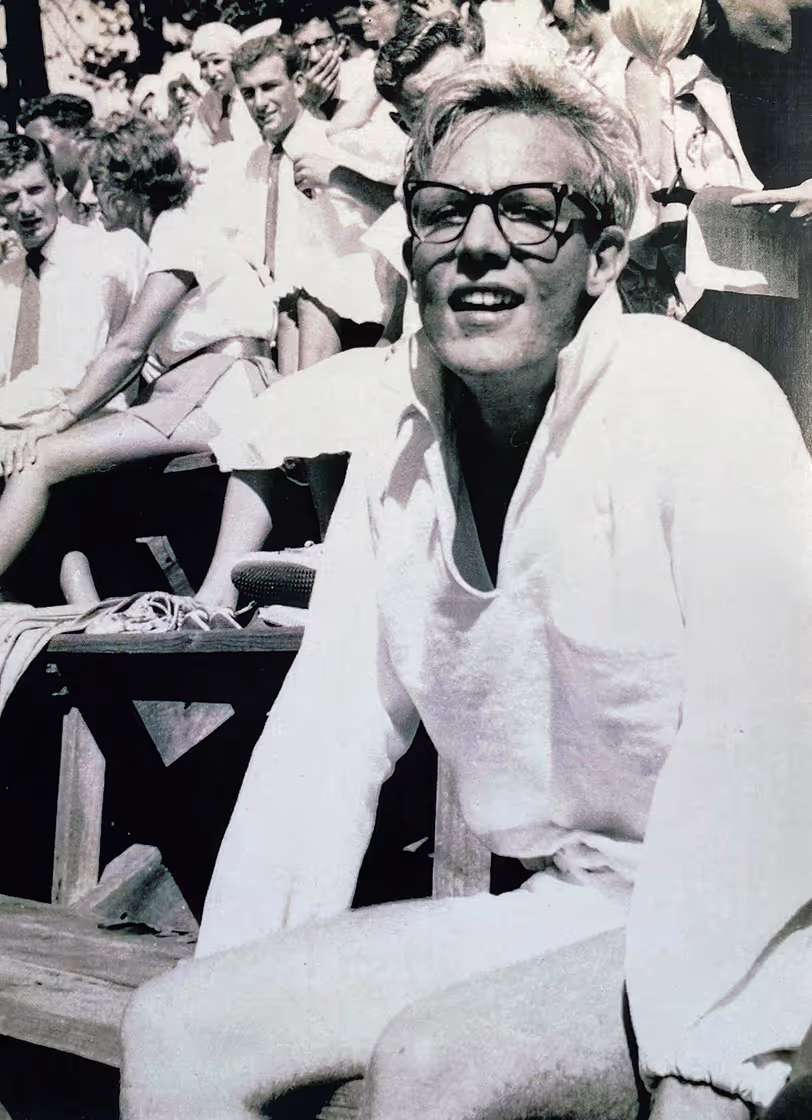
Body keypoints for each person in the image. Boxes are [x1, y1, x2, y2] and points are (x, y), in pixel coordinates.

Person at [120, 62, 812, 1120]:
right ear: (411, 250)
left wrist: (706, 1067)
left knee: (434, 1067)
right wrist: (233, 981)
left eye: (529, 215)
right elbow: (324, 741)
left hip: (771, 918)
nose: (478, 244)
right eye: (443, 211)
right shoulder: (397, 453)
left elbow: (765, 762)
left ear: (603, 256)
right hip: (578, 907)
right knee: (177, 1032)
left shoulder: (707, 408)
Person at [0, 119, 277, 587]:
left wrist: (57, 418)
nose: (87, 199)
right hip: (197, 389)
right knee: (46, 459)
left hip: (222, 386)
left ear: (126, 190)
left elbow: (128, 348)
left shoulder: (178, 233)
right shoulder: (163, 239)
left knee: (41, 457)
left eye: (98, 186)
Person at [0, 135, 148, 430]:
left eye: (35, 190)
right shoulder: (7, 278)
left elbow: (71, 378)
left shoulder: (101, 257)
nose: (26, 208)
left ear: (56, 187)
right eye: (10, 198)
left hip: (87, 425)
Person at [19, 93, 100, 225]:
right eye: (30, 149)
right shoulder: (41, 208)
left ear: (78, 137)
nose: (35, 158)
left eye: (43, 145)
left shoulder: (116, 196)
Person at [188, 21, 259, 154]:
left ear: (236, 59)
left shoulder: (255, 96)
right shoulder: (208, 102)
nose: (210, 73)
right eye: (203, 65)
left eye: (218, 61)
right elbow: (195, 150)